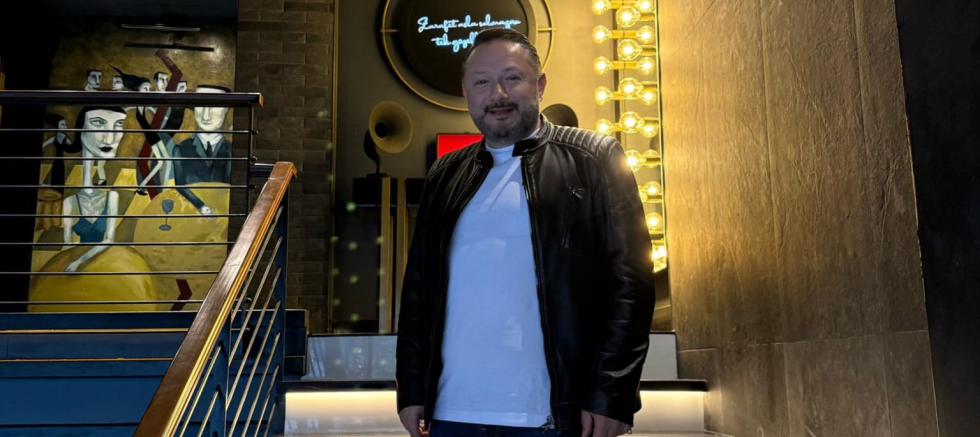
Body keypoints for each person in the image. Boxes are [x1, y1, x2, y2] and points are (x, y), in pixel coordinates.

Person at [396, 28, 656, 437]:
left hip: (557, 416)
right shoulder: (445, 173)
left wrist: (612, 394)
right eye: (482, 82)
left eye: (512, 77)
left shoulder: (595, 158)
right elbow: (417, 292)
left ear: (540, 85)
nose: (497, 93)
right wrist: (411, 390)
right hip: (452, 412)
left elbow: (631, 285)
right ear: (466, 93)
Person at [60, 107, 126, 272]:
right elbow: (67, 246)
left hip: (100, 264)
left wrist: (79, 262)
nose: (110, 138)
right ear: (81, 130)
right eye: (97, 123)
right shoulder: (70, 203)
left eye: (119, 124)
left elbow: (109, 240)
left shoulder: (112, 197)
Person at [170, 84, 232, 219]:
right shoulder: (181, 149)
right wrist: (201, 206)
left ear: (226, 108)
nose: (206, 115)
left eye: (214, 106)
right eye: (200, 105)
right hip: (188, 217)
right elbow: (180, 186)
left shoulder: (231, 151)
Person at [41, 114, 81, 193]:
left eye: (66, 124)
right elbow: (44, 144)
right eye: (63, 124)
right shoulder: (56, 138)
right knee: (55, 176)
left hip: (60, 161)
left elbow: (73, 148)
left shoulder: (65, 139)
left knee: (59, 176)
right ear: (58, 126)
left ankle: (58, 192)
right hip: (57, 161)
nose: (65, 126)